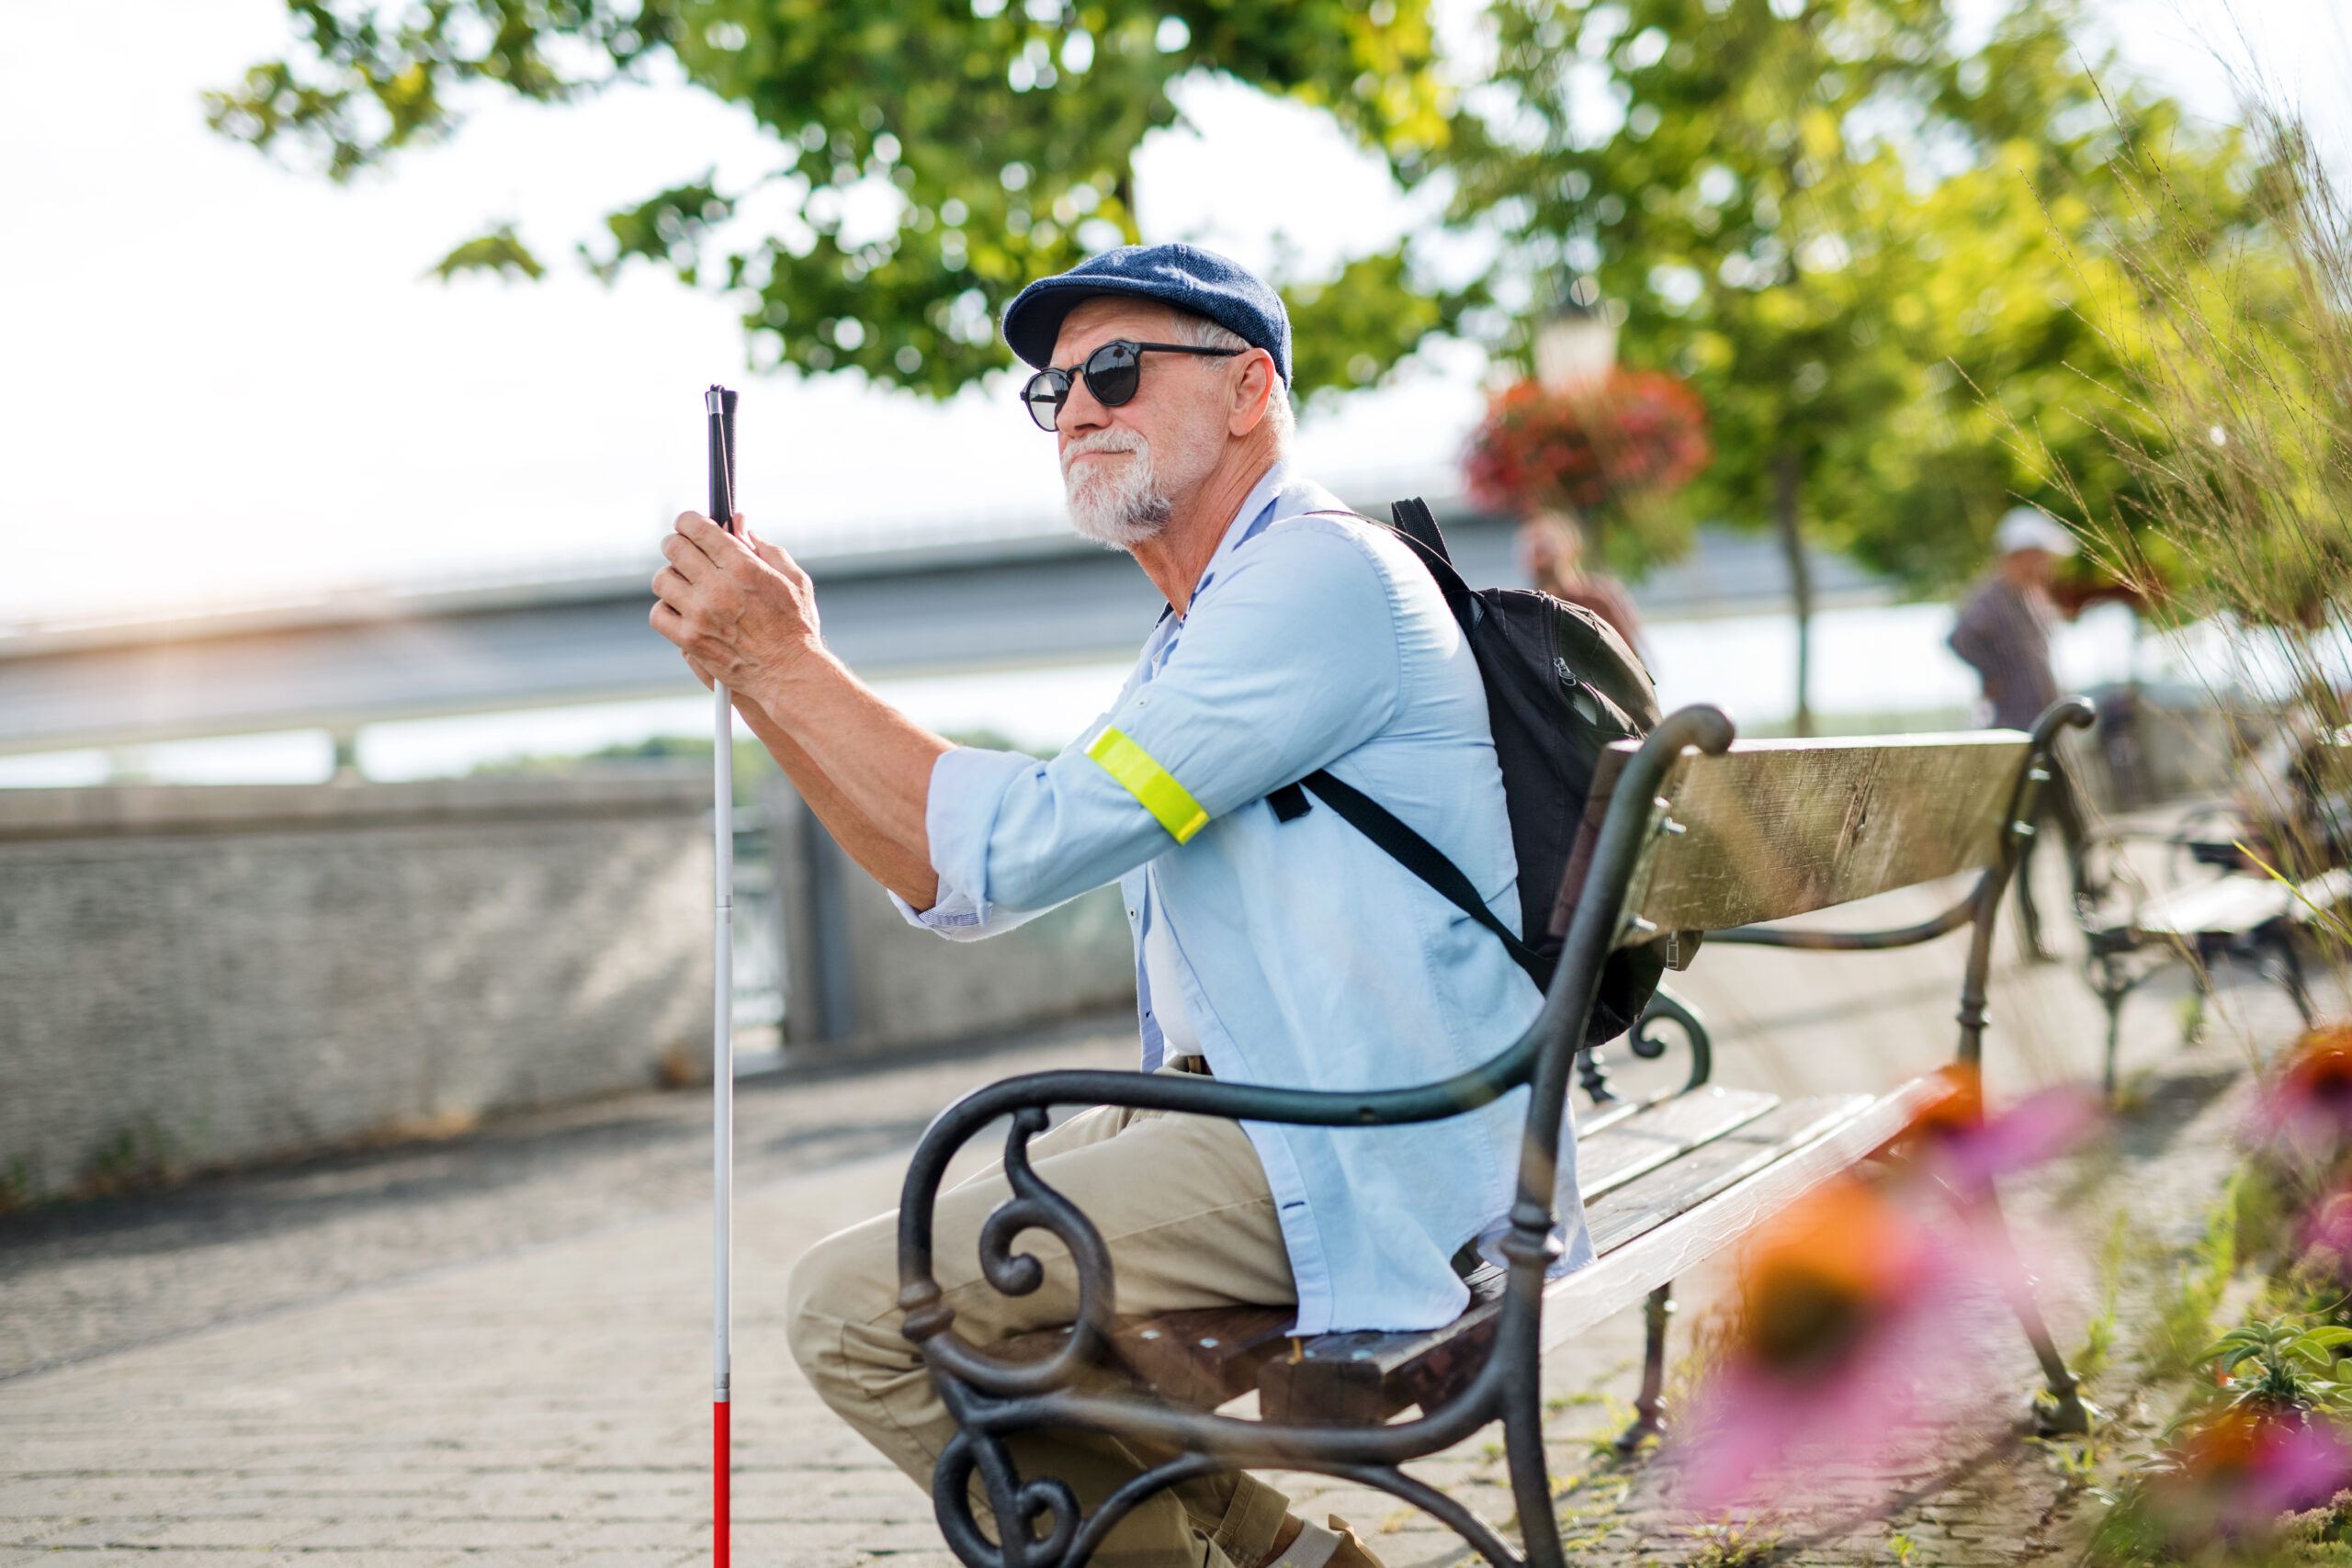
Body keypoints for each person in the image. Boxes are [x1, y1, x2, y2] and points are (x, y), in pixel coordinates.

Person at [647, 243, 1589, 1568]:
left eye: (1117, 369)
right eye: (1056, 388)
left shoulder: (1315, 587)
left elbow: (1015, 844)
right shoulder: (1213, 624)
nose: (1077, 407)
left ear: (1251, 387)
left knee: (855, 1309)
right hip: (1323, 1103)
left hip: (1365, 1139)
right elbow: (947, 876)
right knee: (993, 1312)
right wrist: (766, 678)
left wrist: (784, 662)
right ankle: (1294, 1559)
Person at [1949, 506, 2092, 961]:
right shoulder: (1990, 599)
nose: (2048, 566)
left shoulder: (2030, 598)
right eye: (2042, 556)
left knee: (2077, 831)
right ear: (2021, 554)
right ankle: (2036, 938)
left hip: (2048, 734)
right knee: (2025, 843)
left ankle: (2090, 920)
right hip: (2022, 738)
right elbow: (1958, 639)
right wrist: (1994, 676)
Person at [1518, 509, 1644, 653]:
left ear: (1570, 548)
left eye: (1547, 544)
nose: (1538, 550)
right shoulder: (1524, 611)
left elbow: (1630, 658)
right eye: (1531, 545)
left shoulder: (1595, 601)